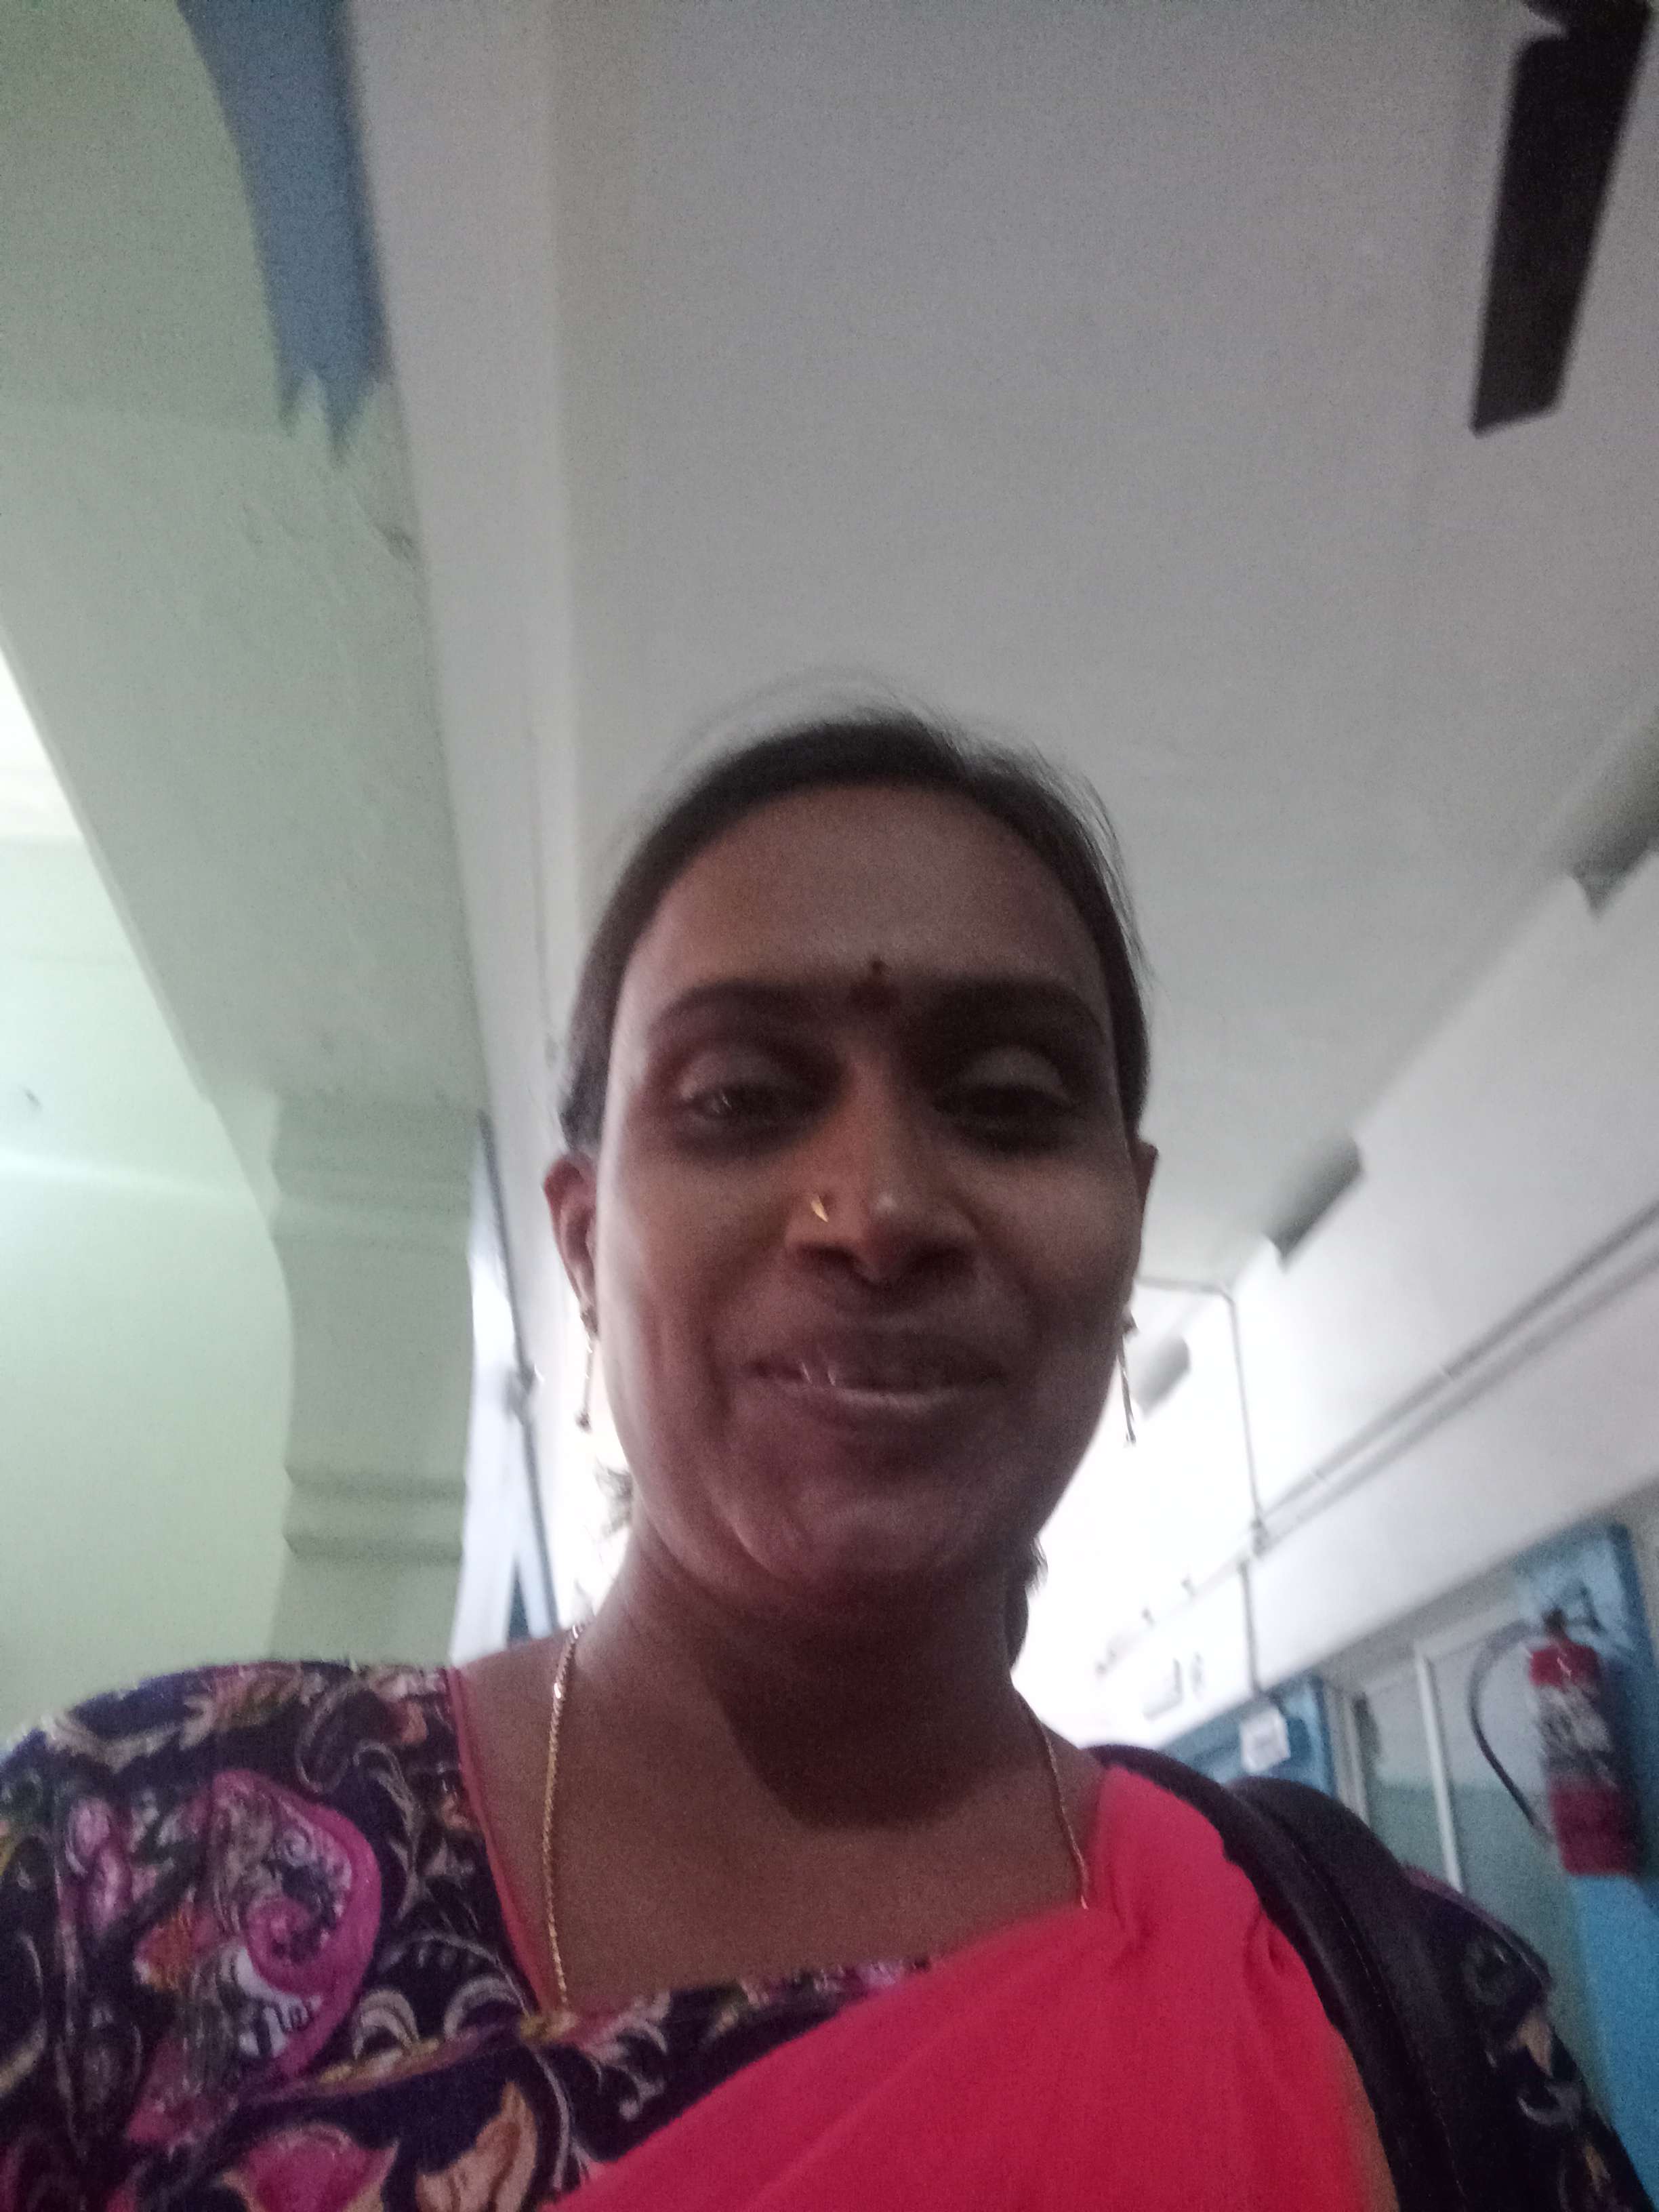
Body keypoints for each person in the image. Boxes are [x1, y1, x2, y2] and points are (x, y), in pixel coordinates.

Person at [0, 711, 1647, 2212]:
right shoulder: (135, 1873)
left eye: (1009, 1099)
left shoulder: (1405, 2008)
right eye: (739, 1098)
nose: (879, 1211)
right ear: (582, 1246)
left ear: (1128, 1227)